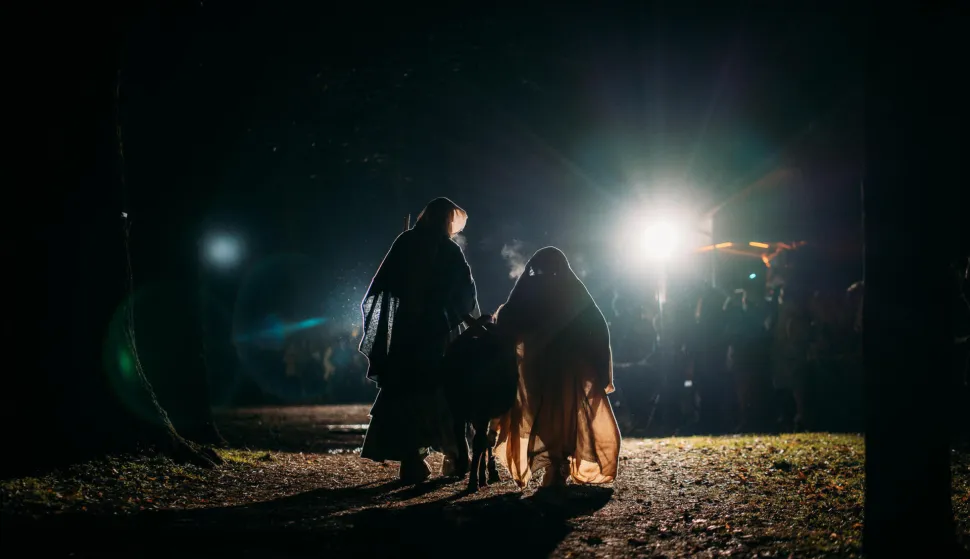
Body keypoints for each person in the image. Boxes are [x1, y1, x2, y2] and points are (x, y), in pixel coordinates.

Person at [357, 197, 480, 482]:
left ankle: (416, 460)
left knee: (409, 393)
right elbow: (465, 292)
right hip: (435, 335)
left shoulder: (408, 243)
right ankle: (451, 457)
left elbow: (384, 287)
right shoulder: (445, 250)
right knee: (438, 395)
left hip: (408, 334)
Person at [492, 247, 621, 489]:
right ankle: (556, 464)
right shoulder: (571, 288)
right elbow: (596, 325)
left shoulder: (531, 288)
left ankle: (555, 465)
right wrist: (598, 365)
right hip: (562, 369)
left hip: (543, 368)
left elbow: (509, 317)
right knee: (563, 417)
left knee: (546, 415)